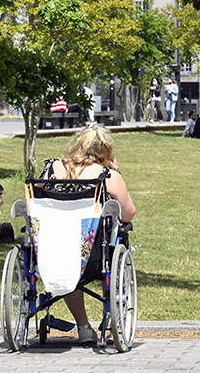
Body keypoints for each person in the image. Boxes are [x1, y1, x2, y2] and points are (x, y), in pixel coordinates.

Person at [45, 125, 136, 343]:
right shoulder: (107, 175)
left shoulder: (53, 168)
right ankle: (110, 314)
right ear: (105, 151)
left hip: (54, 250)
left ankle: (83, 326)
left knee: (68, 259)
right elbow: (128, 214)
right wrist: (116, 172)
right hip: (94, 254)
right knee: (114, 240)